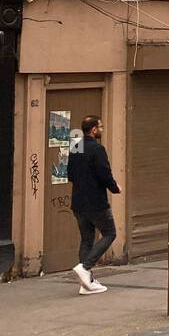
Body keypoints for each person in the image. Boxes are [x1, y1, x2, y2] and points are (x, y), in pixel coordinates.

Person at [67, 115, 121, 294]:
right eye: (100, 127)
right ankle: (85, 267)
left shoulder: (76, 147)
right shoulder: (98, 149)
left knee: (87, 239)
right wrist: (115, 188)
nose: (102, 129)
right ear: (93, 130)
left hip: (78, 202)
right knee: (110, 233)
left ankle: (86, 283)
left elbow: (70, 174)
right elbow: (104, 173)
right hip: (96, 202)